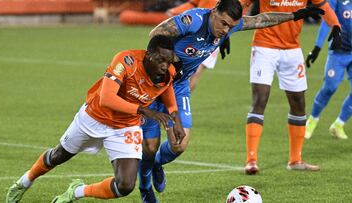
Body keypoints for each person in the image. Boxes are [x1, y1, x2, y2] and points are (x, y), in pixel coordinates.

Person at [138, 0, 326, 202]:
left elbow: (261, 19)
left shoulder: (228, 27)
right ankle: (145, 187)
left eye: (230, 26)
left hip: (179, 86)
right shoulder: (192, 20)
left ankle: (157, 164)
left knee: (179, 145)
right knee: (150, 146)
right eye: (223, 23)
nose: (225, 30)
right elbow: (155, 35)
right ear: (214, 11)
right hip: (154, 83)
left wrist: (296, 15)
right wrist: (173, 61)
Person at [5, 35, 185, 203]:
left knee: (125, 185)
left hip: (125, 127)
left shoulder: (167, 72)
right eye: (161, 60)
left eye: (168, 61)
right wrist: (144, 111)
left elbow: (167, 91)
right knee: (59, 155)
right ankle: (25, 181)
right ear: (149, 55)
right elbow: (106, 98)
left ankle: (76, 191)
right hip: (94, 117)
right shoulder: (126, 61)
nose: (165, 66)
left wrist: (175, 121)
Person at [239, 0, 342, 175]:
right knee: (260, 99)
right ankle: (251, 160)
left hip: (292, 49)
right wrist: (229, 29)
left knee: (298, 104)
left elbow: (323, 5)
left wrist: (336, 26)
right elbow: (240, 4)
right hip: (264, 46)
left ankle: (295, 160)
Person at [120, 0, 220, 91]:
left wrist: (226, 35)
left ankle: (177, 99)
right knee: (173, 74)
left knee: (193, 75)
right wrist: (174, 11)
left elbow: (232, 14)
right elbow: (193, 3)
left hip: (214, 38)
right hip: (194, 36)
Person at [305, 0, 351, 140]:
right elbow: (327, 19)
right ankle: (312, 120)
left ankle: (339, 124)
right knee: (330, 88)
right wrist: (317, 47)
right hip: (338, 53)